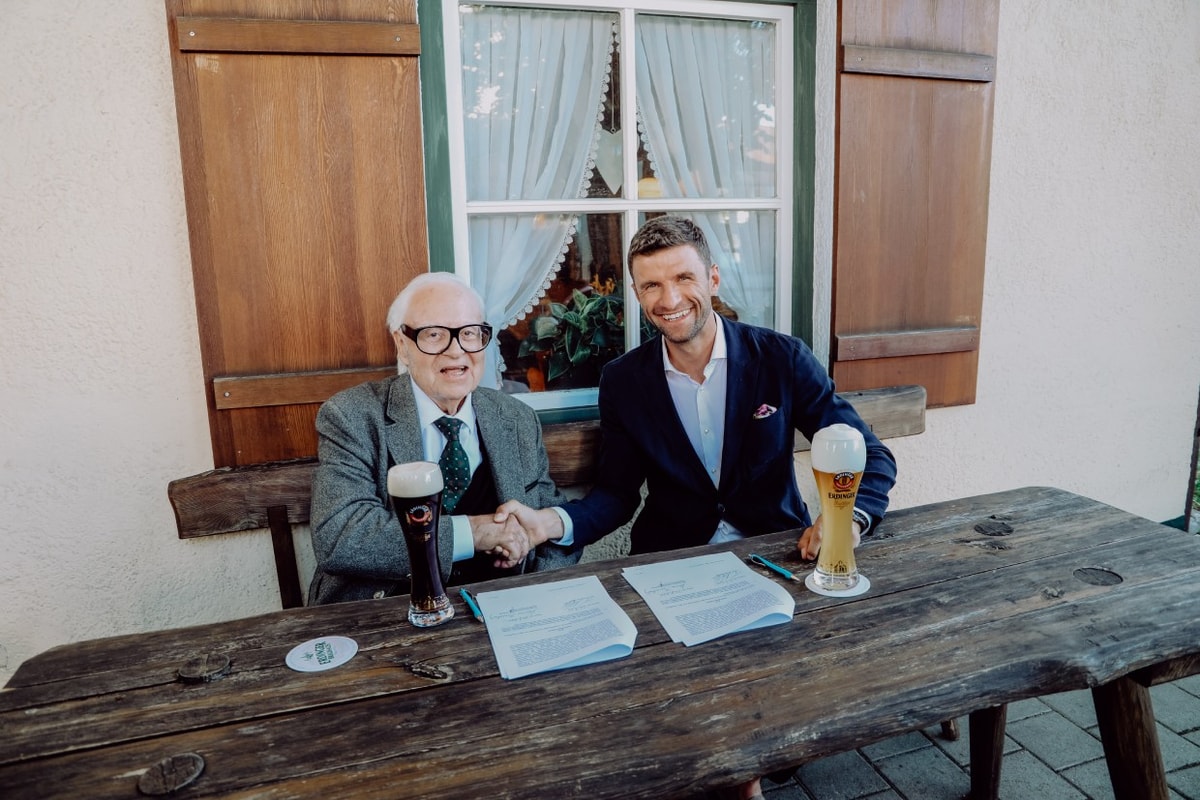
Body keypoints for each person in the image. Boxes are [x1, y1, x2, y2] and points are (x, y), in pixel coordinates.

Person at [497, 216, 897, 799]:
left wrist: (845, 522)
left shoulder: (781, 358)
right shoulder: (624, 381)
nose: (670, 298)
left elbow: (871, 454)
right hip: (672, 565)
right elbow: (613, 496)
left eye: (683, 277)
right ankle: (747, 775)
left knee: (751, 670)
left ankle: (746, 771)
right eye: (651, 286)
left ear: (711, 278)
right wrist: (547, 524)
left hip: (775, 555)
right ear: (636, 294)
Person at [308, 273, 580, 605]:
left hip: (500, 608)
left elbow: (549, 523)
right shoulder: (353, 415)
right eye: (434, 335)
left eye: (469, 333)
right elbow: (341, 536)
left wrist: (536, 593)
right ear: (402, 345)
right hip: (388, 612)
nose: (457, 351)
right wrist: (476, 533)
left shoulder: (515, 418)